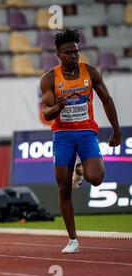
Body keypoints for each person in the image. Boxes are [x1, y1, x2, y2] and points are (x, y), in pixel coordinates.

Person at [40, 29, 121, 254]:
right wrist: (57, 107)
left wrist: (116, 130)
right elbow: (46, 113)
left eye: (76, 52)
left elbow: (107, 100)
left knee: (96, 178)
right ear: (58, 55)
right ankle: (73, 239)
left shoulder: (90, 73)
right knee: (63, 186)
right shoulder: (49, 79)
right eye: (68, 53)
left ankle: (81, 169)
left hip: (86, 133)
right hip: (62, 136)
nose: (73, 56)